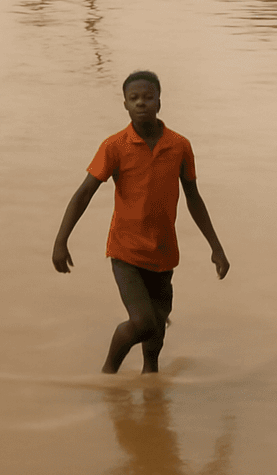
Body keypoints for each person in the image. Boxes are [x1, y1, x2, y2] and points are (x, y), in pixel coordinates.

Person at [52, 70, 229, 374]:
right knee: (143, 322)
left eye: (148, 97)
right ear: (124, 104)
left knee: (157, 327)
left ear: (160, 101)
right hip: (126, 252)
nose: (141, 103)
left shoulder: (179, 146)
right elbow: (83, 194)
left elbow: (194, 198)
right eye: (134, 98)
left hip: (163, 252)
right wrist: (60, 241)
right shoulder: (115, 146)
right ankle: (108, 375)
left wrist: (216, 248)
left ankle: (151, 384)